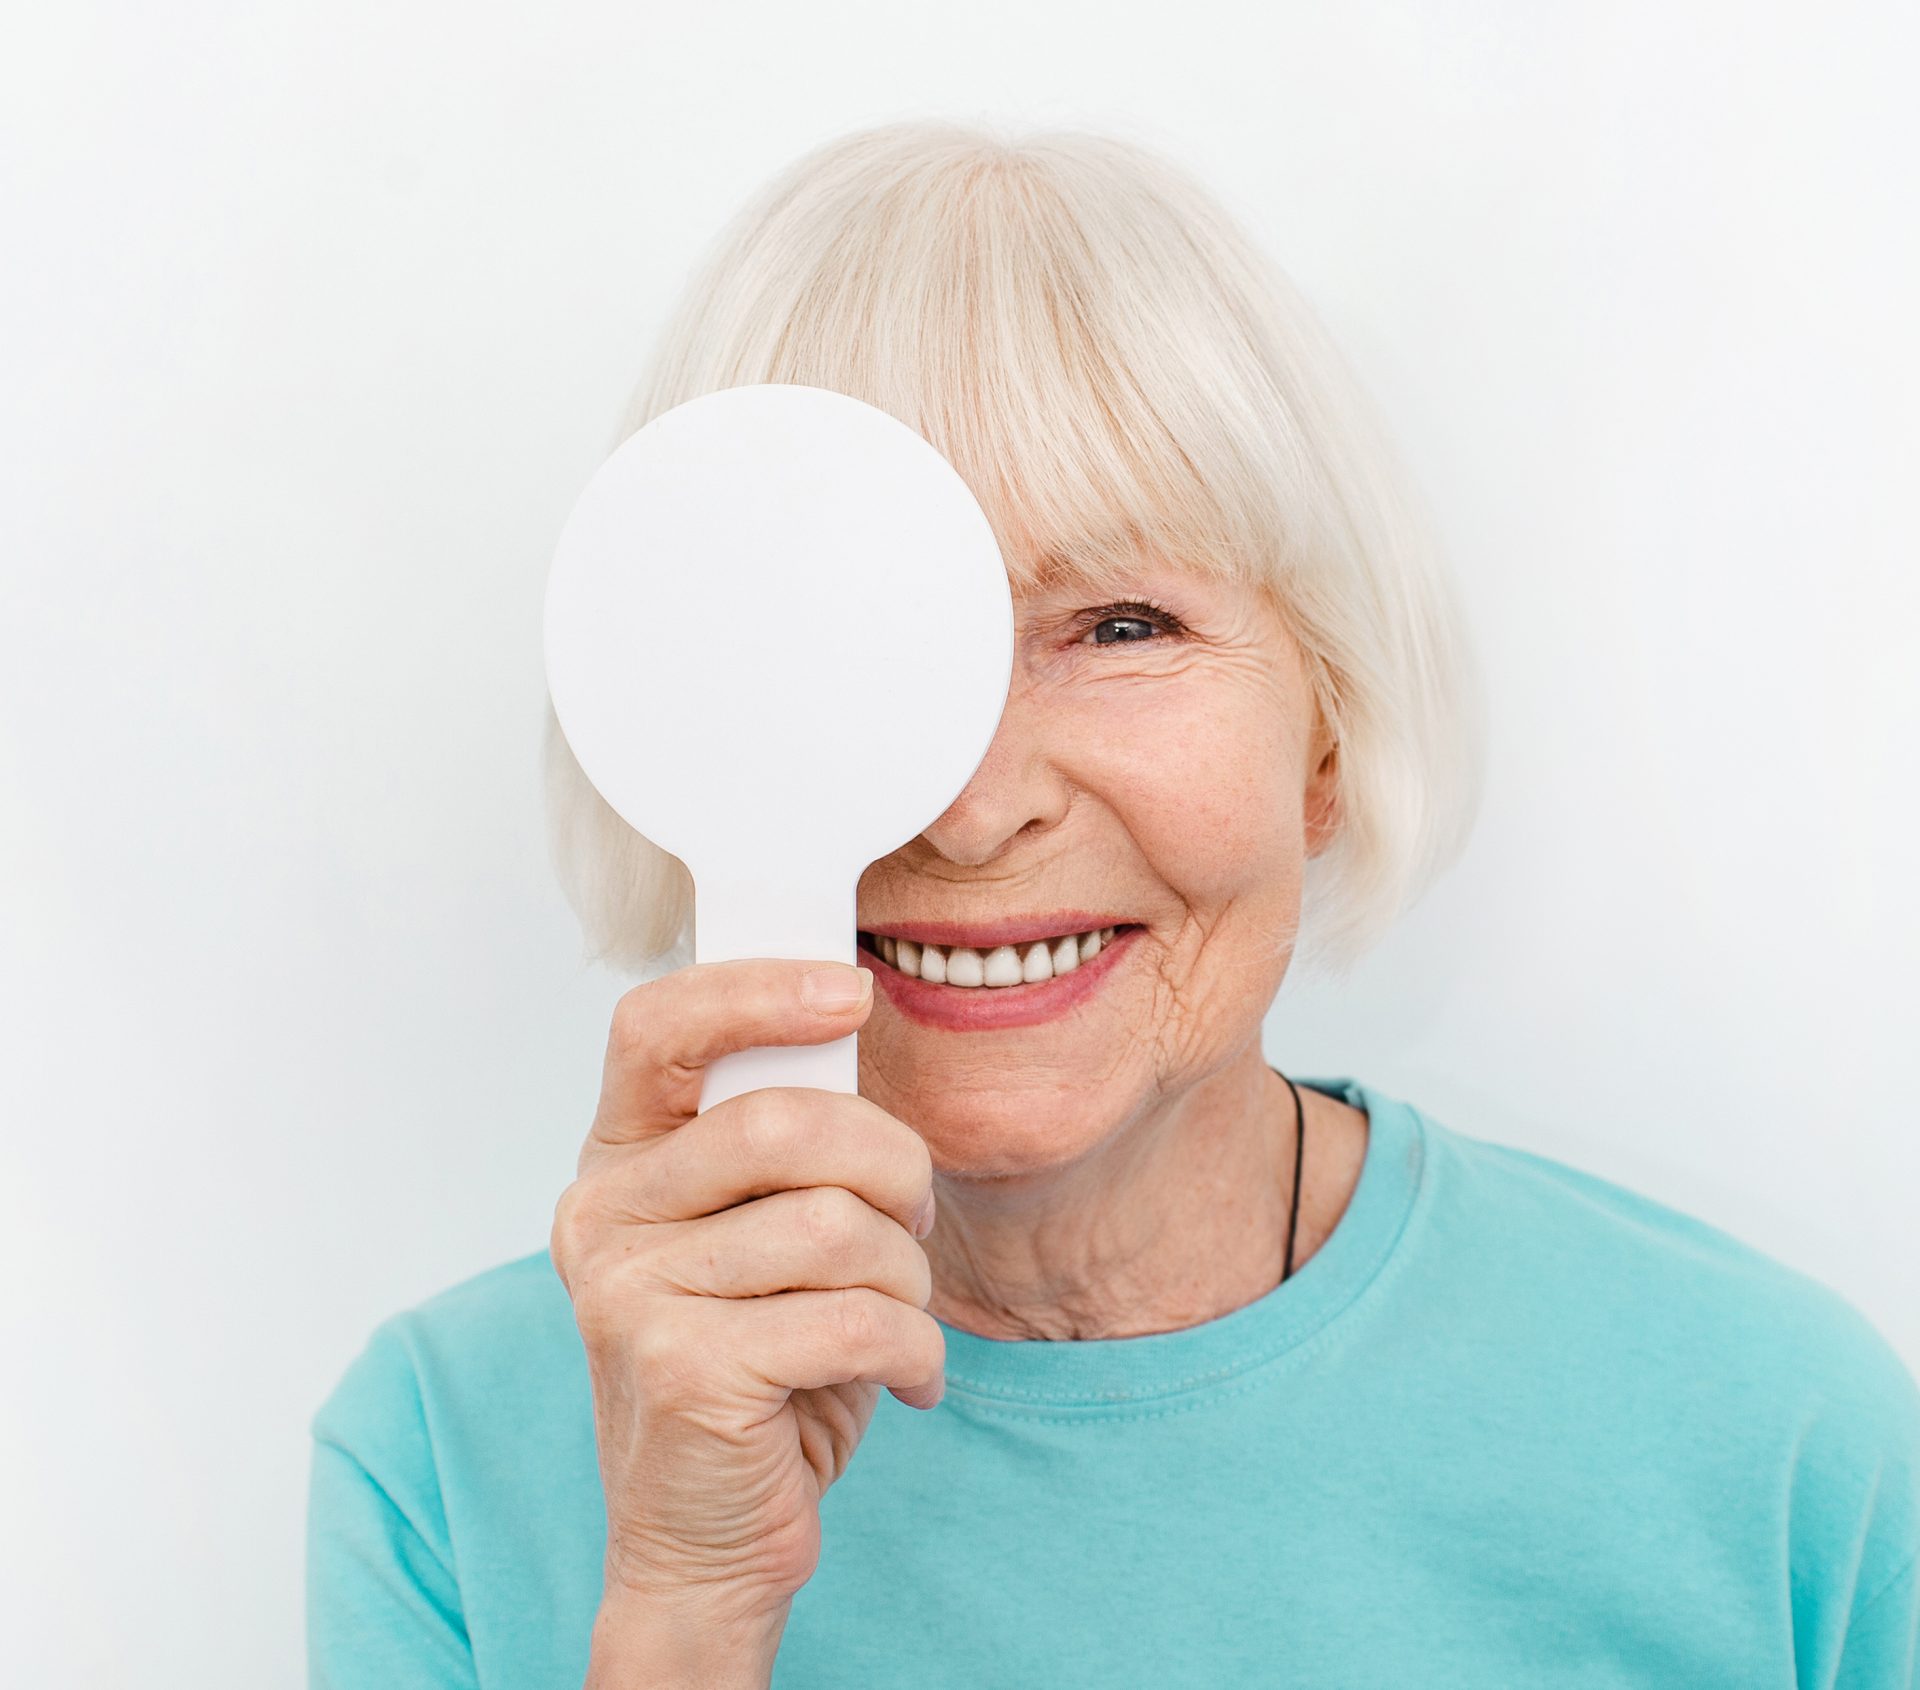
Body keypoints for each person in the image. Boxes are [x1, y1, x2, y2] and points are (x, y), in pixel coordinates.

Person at [306, 120, 1920, 1688]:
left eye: (1123, 624)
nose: (977, 799)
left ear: (1329, 734)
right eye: (851, 640)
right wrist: (685, 1609)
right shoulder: (448, 1461)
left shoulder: (1778, 1453)